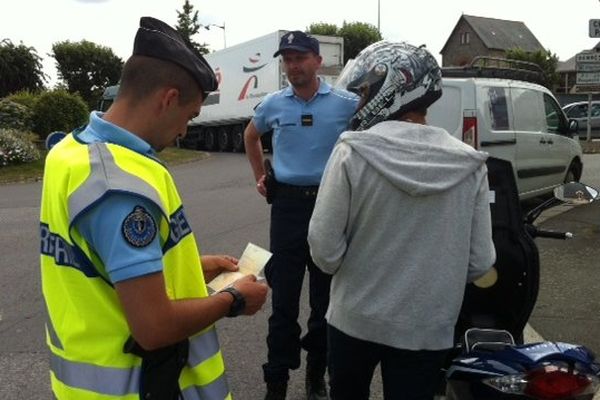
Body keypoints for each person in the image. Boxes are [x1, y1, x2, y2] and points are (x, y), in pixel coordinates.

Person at [39, 16, 268, 400]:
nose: (183, 131)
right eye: (189, 116)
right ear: (168, 99)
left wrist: (195, 266)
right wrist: (234, 300)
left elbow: (99, 266)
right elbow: (154, 327)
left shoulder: (70, 151)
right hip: (139, 386)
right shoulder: (120, 186)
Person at [307, 41, 496, 400]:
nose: (360, 102)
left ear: (389, 89)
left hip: (354, 319)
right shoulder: (470, 164)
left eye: (364, 92)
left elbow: (324, 249)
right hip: (426, 328)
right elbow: (480, 261)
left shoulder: (352, 152)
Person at [243, 30, 359, 400]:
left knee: (325, 302)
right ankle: (276, 380)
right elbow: (250, 135)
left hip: (330, 205)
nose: (292, 66)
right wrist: (260, 176)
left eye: (299, 58)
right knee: (284, 304)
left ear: (316, 60)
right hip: (288, 209)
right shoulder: (274, 104)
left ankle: (315, 376)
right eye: (287, 60)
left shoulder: (346, 103)